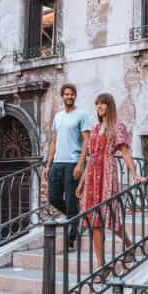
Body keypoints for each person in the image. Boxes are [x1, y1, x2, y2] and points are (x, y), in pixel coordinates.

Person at [77, 93, 146, 264]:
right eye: (97, 104)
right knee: (94, 220)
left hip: (107, 172)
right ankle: (101, 264)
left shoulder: (117, 127)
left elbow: (125, 153)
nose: (99, 107)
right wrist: (82, 182)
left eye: (103, 104)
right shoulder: (93, 128)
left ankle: (129, 244)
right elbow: (91, 157)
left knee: (111, 216)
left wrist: (135, 175)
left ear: (110, 106)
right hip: (92, 175)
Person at [43, 83, 91, 247]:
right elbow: (54, 142)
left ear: (75, 96)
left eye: (72, 94)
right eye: (66, 94)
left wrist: (80, 164)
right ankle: (75, 218)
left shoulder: (82, 115)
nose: (69, 97)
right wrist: (48, 165)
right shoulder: (58, 117)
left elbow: (87, 141)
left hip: (72, 162)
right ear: (62, 96)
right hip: (57, 163)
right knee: (53, 197)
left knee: (71, 200)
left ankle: (71, 236)